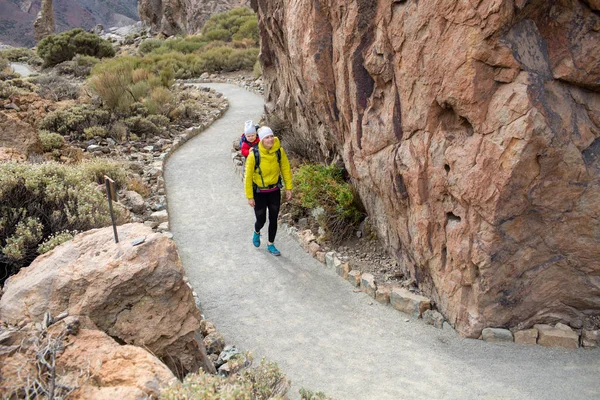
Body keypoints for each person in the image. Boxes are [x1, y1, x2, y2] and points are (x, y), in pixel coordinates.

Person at [245, 126, 293, 256]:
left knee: (273, 218)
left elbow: (285, 169)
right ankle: (256, 231)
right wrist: (250, 196)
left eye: (271, 136)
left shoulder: (279, 151)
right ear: (261, 140)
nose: (270, 139)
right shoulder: (254, 154)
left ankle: (271, 244)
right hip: (259, 193)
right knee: (261, 220)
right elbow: (248, 177)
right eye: (267, 137)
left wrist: (289, 188)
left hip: (274, 191)